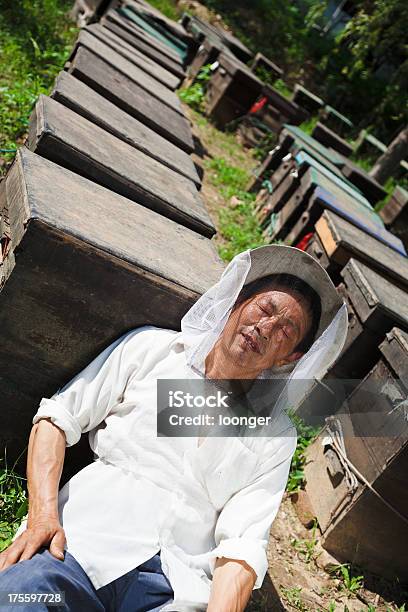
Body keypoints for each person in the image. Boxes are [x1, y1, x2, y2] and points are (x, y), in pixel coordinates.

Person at [0, 245, 348, 611]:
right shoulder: (154, 351)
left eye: (285, 331)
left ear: (291, 357)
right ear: (236, 302)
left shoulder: (273, 436)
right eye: (264, 309)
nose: (264, 328)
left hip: (175, 588)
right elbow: (58, 417)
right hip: (79, 549)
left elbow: (242, 546)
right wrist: (42, 516)